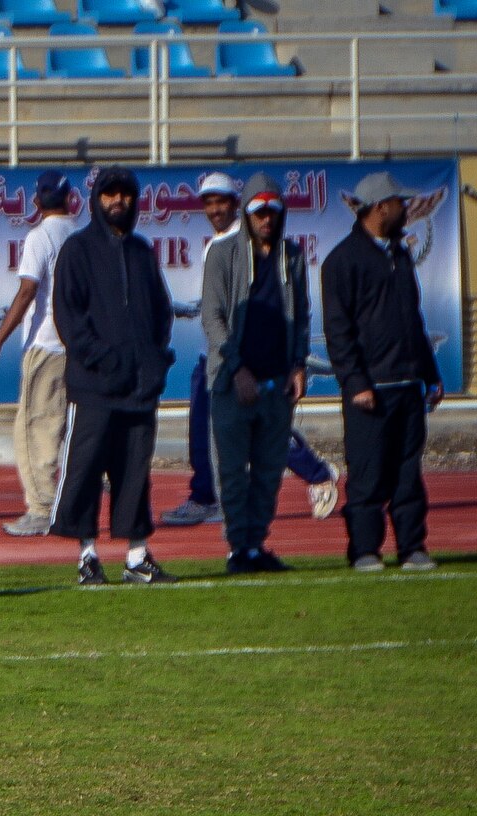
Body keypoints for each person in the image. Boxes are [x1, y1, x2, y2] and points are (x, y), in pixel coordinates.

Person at [167, 171, 339, 529]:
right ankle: (204, 497)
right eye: (208, 203)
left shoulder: (253, 247)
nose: (214, 209)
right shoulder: (216, 246)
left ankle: (318, 473)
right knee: (203, 431)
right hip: (214, 356)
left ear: (237, 205)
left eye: (222, 202)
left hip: (249, 361)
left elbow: (284, 306)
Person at [51, 165, 178, 586]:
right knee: (85, 471)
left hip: (139, 390)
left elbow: (161, 312)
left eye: (125, 194)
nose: (117, 201)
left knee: (135, 474)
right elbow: (69, 319)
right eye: (110, 195)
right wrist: (104, 360)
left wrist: (155, 360)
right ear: (96, 200)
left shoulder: (142, 251)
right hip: (94, 387)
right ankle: (87, 557)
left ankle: (137, 556)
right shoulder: (77, 250)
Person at [320, 170, 444, 573]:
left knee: (409, 472)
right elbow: (338, 331)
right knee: (368, 473)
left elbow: (412, 318)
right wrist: (355, 382)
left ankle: (412, 547)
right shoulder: (342, 261)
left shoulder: (400, 254)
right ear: (380, 208)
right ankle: (365, 550)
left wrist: (430, 372)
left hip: (408, 385)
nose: (407, 209)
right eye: (400, 203)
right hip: (370, 390)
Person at [200, 172, 311, 575]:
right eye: (259, 211)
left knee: (268, 471)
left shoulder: (292, 256)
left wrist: (298, 364)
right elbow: (212, 318)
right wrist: (237, 368)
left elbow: (301, 316)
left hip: (277, 383)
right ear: (246, 213)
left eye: (273, 211)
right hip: (232, 383)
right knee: (231, 471)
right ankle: (237, 548)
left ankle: (256, 544)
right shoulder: (222, 254)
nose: (266, 219)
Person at [0, 170, 74, 537]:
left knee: (35, 429)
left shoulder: (41, 237)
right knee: (63, 426)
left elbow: (27, 291)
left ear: (36, 201)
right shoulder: (78, 233)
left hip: (46, 343)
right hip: (76, 344)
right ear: (70, 199)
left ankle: (42, 508)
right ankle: (66, 502)